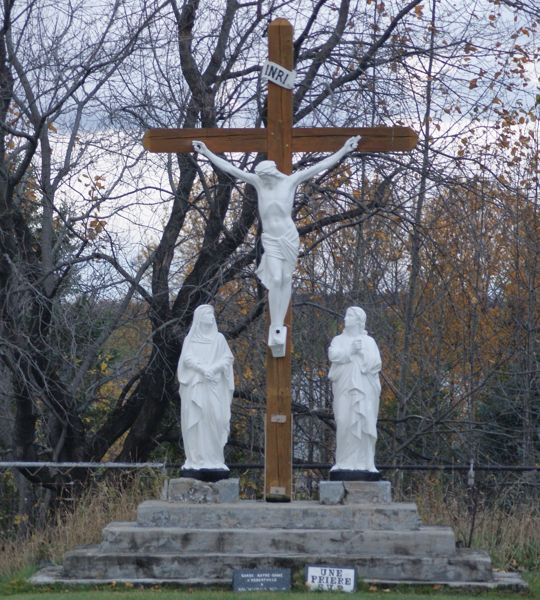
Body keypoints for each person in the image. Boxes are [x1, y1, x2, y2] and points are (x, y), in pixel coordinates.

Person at [192, 136, 360, 356]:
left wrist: (343, 149)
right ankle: (276, 323)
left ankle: (280, 324)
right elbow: (232, 170)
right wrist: (207, 153)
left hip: (288, 237)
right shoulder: (259, 182)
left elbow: (320, 166)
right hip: (270, 239)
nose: (264, 181)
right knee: (277, 279)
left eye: (266, 177)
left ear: (272, 173)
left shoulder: (289, 182)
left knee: (286, 279)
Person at [177, 304, 234, 472]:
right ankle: (197, 459)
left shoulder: (219, 339)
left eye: (212, 314)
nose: (212, 317)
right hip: (196, 386)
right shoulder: (191, 339)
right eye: (208, 314)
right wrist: (203, 370)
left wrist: (214, 369)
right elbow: (187, 359)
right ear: (200, 317)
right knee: (197, 421)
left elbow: (227, 358)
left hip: (214, 386)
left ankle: (215, 458)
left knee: (216, 419)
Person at [328, 307, 381, 473]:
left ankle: (367, 463)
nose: (346, 318)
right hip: (345, 386)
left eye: (350, 316)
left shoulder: (369, 342)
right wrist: (350, 351)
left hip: (364, 389)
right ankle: (343, 462)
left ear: (359, 321)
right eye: (346, 315)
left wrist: (362, 353)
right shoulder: (338, 340)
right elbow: (332, 354)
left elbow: (375, 363)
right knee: (344, 420)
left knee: (365, 422)